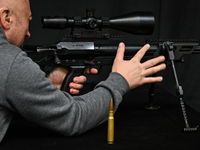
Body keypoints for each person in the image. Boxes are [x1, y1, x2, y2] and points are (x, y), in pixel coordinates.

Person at [0, 0, 166, 143]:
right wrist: (120, 80)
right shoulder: (10, 60)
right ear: (6, 17)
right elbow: (74, 117)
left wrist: (44, 87)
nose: (28, 33)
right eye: (28, 20)